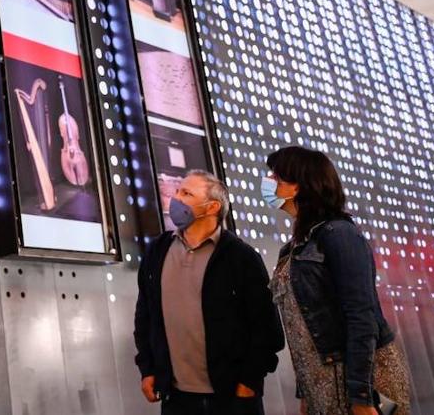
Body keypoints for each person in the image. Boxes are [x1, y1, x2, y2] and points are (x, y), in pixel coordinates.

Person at [264, 146, 412, 415]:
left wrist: (362, 396)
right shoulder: (295, 246)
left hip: (356, 379)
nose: (268, 182)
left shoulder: (339, 234)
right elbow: (303, 325)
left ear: (297, 186)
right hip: (320, 380)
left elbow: (361, 316)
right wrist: (305, 390)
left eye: (275, 177)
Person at [135, 170, 285, 414]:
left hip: (232, 400)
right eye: (177, 191)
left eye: (186, 193)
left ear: (212, 206)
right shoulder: (156, 251)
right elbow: (145, 317)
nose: (176, 198)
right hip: (176, 400)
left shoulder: (241, 257)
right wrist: (148, 369)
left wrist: (249, 382)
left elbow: (267, 329)